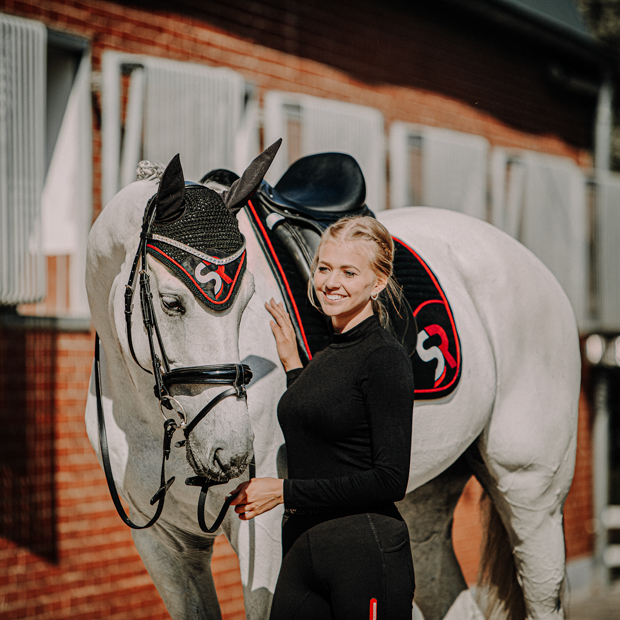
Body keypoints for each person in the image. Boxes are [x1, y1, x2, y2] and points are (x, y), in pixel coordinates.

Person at [229, 215, 415, 619]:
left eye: (350, 272)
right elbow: (323, 425)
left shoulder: (384, 358)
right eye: (324, 268)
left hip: (365, 554)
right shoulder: (330, 354)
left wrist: (282, 492)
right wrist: (295, 366)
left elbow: (390, 479)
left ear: (377, 282)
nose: (331, 282)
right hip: (301, 549)